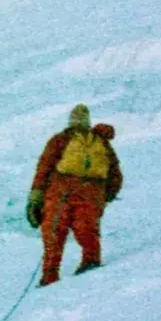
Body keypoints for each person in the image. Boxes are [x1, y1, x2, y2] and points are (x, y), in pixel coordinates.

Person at [25, 104, 123, 287]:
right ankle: (85, 262)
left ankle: (52, 274)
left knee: (58, 232)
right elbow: (115, 173)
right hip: (82, 193)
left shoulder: (63, 140)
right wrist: (106, 195)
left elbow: (44, 168)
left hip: (65, 192)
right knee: (78, 229)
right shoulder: (96, 142)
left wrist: (35, 198)